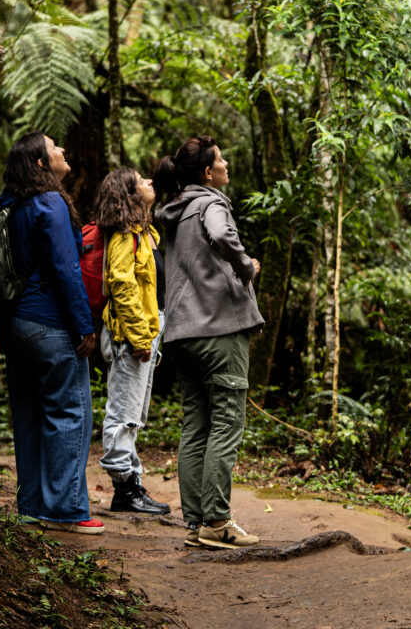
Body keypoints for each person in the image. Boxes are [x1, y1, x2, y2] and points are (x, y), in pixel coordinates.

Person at [154, 135, 263, 550]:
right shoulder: (211, 203)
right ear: (207, 173)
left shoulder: (174, 212)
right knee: (226, 423)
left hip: (181, 333)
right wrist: (246, 268)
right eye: (220, 159)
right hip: (218, 330)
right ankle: (217, 522)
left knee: (195, 425)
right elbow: (221, 235)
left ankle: (198, 522)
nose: (226, 162)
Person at [0, 131, 103, 534]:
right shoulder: (50, 202)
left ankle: (32, 507)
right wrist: (83, 323)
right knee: (69, 411)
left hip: (16, 325)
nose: (62, 150)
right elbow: (64, 268)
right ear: (42, 164)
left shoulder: (10, 205)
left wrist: (1, 325)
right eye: (54, 147)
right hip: (50, 323)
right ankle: (65, 510)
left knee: (28, 414)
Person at [94, 167, 171, 515]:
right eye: (142, 182)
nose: (150, 183)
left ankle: (132, 484)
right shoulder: (125, 237)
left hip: (146, 334)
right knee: (123, 412)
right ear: (128, 195)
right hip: (130, 337)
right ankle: (123, 489)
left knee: (134, 414)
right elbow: (121, 286)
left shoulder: (146, 233)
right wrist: (141, 336)